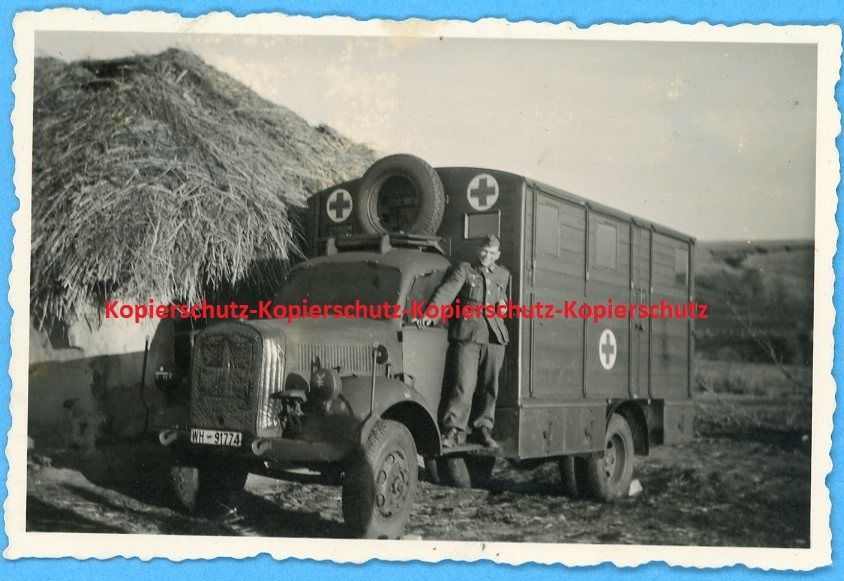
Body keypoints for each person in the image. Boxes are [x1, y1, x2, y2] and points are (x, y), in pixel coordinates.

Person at [421, 234, 510, 449]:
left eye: (491, 253)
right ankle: (452, 431)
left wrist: (504, 305)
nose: (486, 256)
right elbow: (446, 293)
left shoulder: (503, 274)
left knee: (490, 387)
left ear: (497, 255)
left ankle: (483, 429)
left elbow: (504, 297)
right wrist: (431, 314)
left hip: (494, 338)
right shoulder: (465, 270)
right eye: (483, 251)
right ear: (478, 250)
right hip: (468, 335)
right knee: (464, 385)